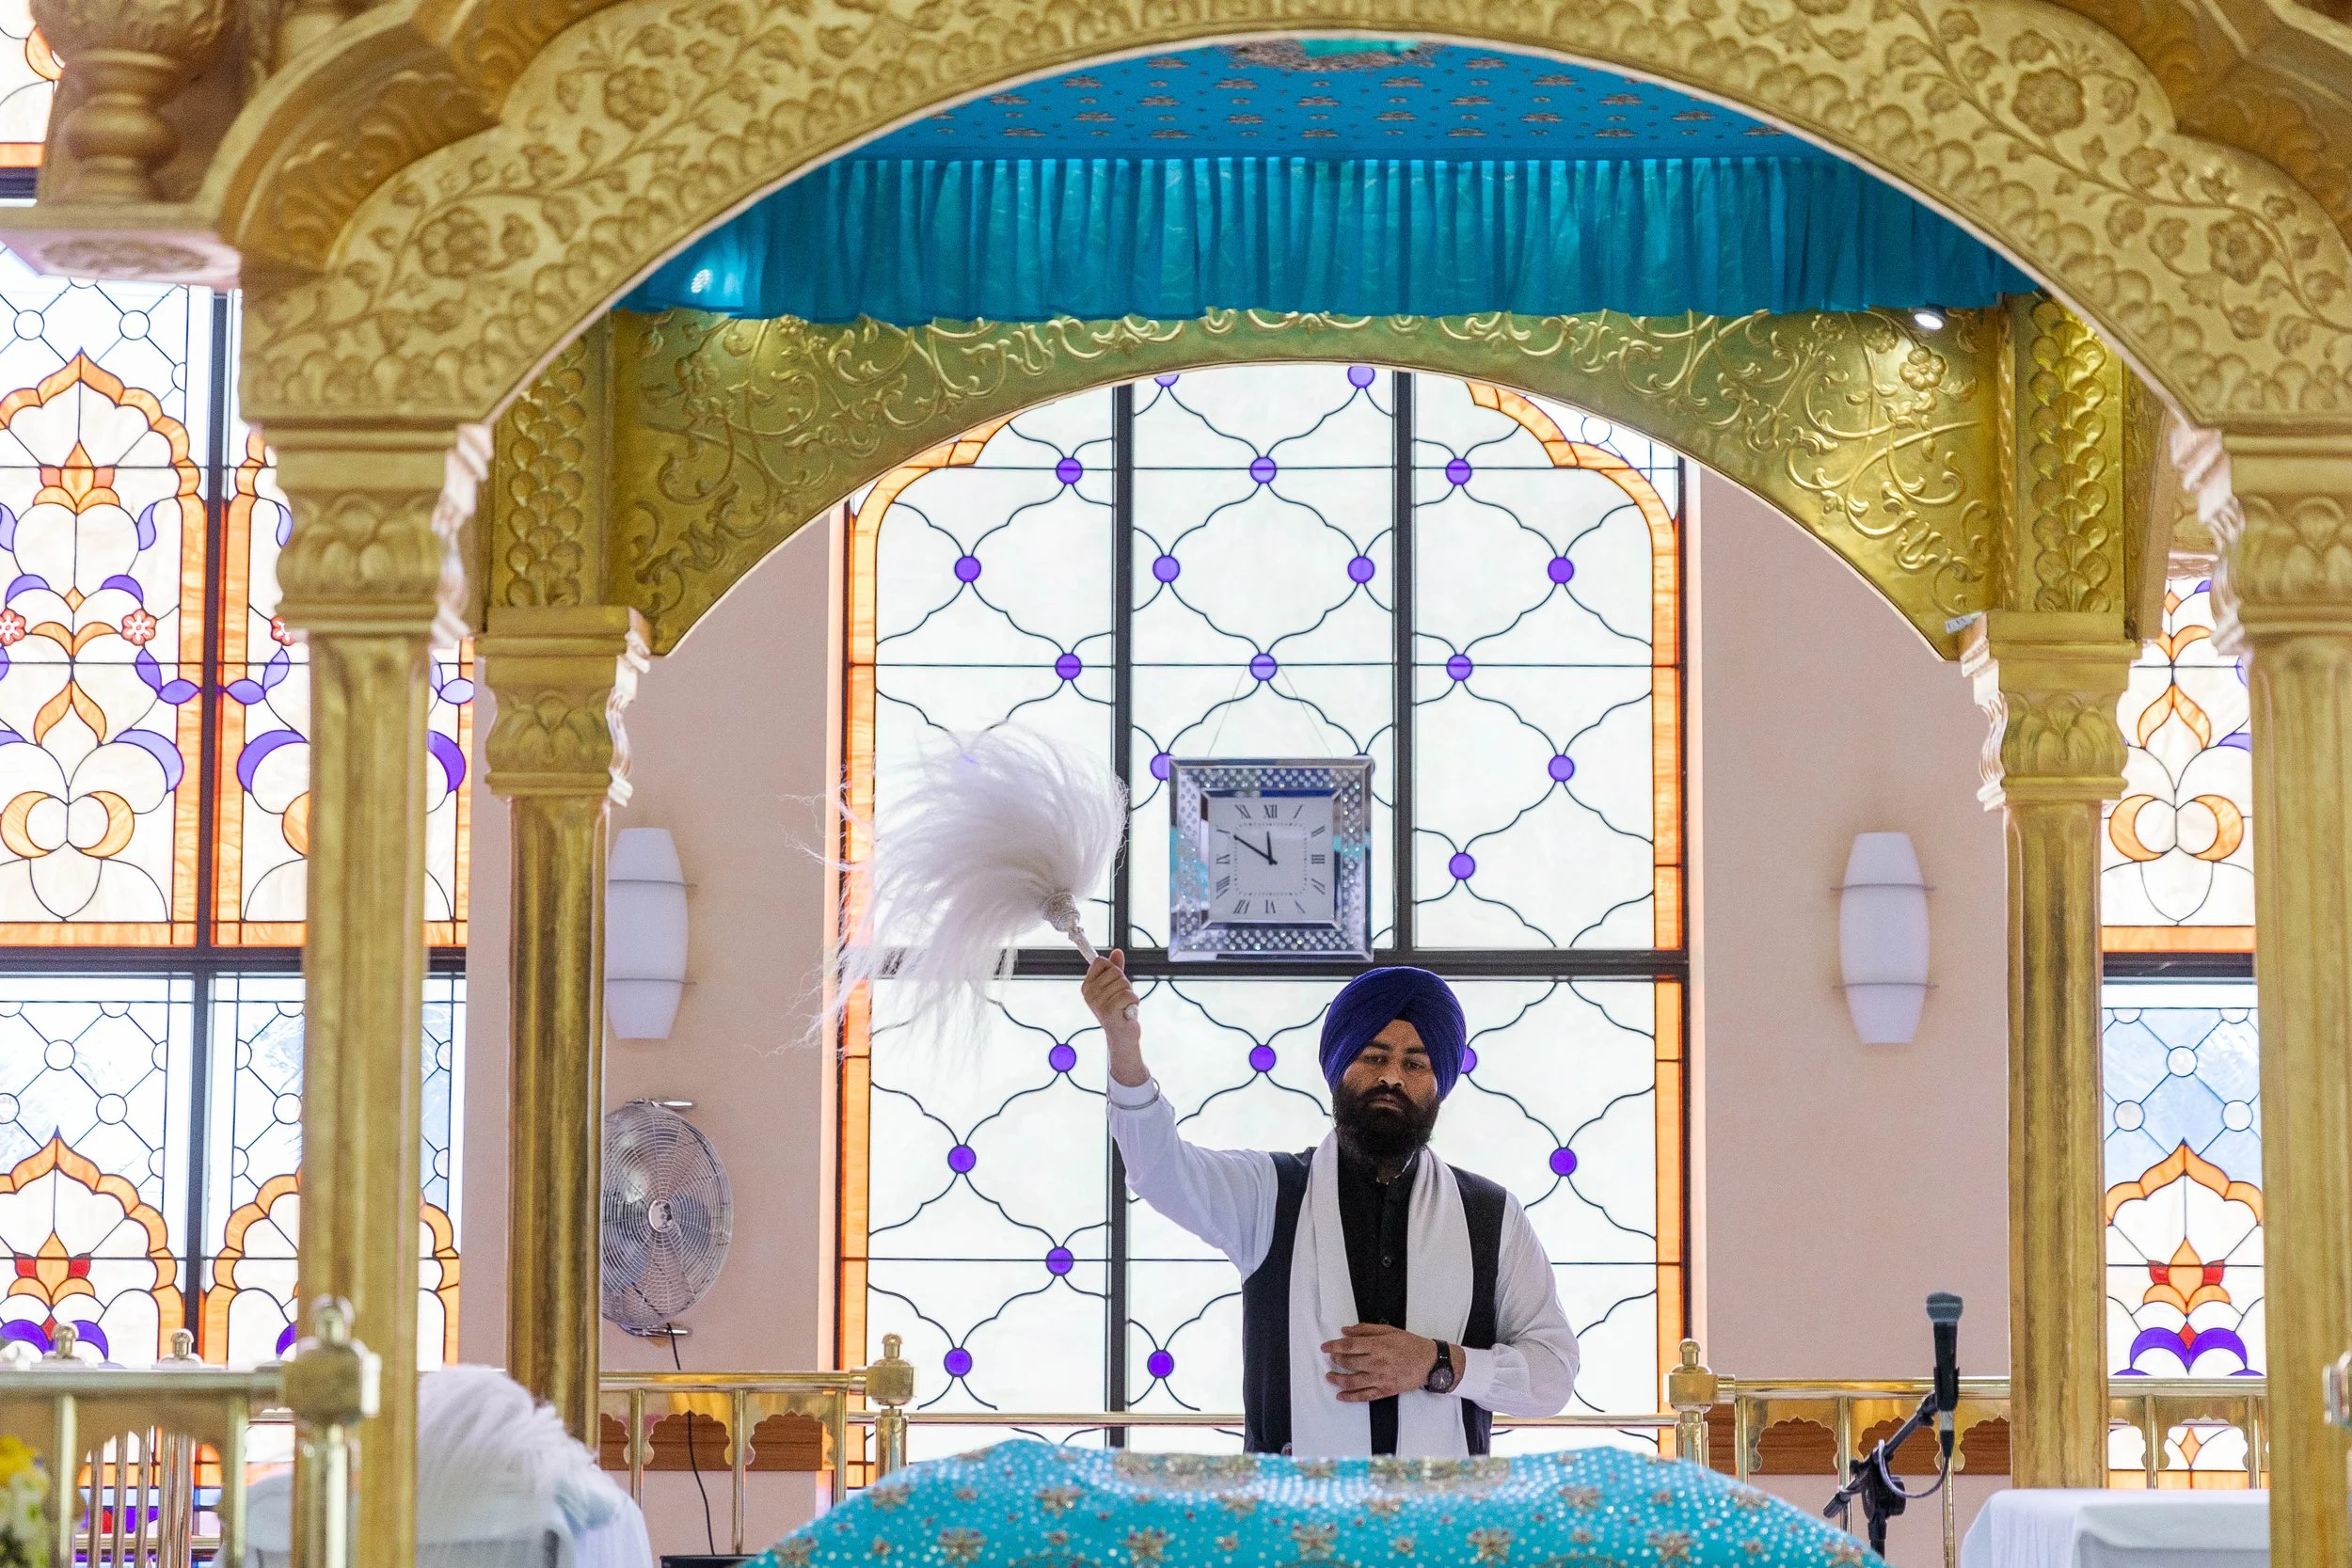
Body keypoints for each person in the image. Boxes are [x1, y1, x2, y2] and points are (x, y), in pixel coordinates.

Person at [1081, 955, 1581, 1459]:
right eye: (1374, 1056)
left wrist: (1437, 1363)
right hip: (1292, 1523)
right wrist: (1123, 1045)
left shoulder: (1492, 1217)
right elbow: (1159, 1170)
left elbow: (1553, 1376)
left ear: (1438, 1083)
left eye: (1414, 1063)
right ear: (1340, 1068)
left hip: (1443, 1524)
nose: (1392, 1078)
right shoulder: (1270, 1194)